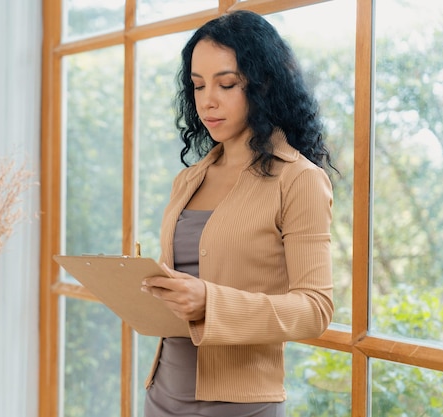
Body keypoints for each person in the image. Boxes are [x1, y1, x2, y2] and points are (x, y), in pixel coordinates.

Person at [140, 9, 336, 417]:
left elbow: (315, 309)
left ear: (262, 85)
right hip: (163, 394)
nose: (207, 100)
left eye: (226, 83)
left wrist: (211, 303)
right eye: (197, 86)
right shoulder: (190, 179)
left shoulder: (298, 180)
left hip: (239, 405)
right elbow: (183, 283)